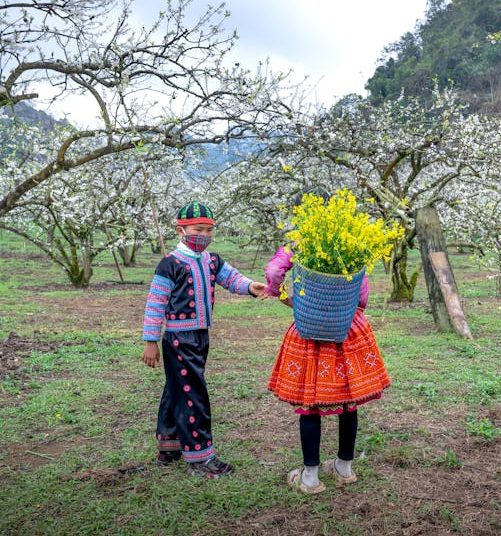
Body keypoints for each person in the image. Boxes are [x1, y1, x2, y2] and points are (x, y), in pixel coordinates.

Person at [261, 187, 391, 494]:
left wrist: (286, 299)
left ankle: (310, 478)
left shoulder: (296, 243)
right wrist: (349, 309)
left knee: (311, 405)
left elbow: (273, 271)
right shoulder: (352, 243)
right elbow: (361, 291)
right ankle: (344, 468)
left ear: (300, 215)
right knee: (348, 401)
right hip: (348, 330)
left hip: (310, 332)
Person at [141, 201, 265, 478]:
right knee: (193, 393)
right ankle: (200, 456)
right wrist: (151, 340)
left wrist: (250, 287)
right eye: (199, 229)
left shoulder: (211, 260)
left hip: (200, 336)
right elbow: (155, 303)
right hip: (178, 338)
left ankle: (170, 446)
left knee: (177, 389)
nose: (204, 235)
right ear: (181, 230)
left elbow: (231, 278)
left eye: (209, 230)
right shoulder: (170, 264)